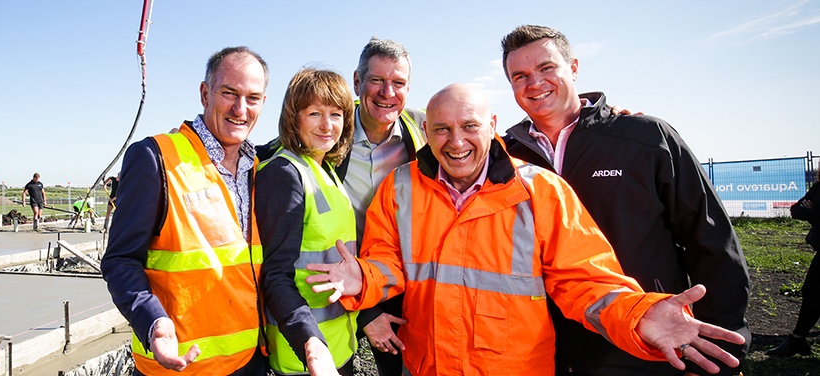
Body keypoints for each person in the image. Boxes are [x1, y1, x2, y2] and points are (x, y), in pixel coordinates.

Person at [305, 84, 746, 375]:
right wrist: (365, 278)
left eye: (469, 126)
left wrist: (638, 314)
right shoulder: (400, 187)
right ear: (425, 131)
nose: (456, 141)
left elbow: (586, 281)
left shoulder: (541, 190)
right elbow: (390, 263)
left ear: (493, 127)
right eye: (441, 129)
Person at [499, 24, 751, 376]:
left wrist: (717, 345)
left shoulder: (645, 137)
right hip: (547, 351)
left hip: (646, 342)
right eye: (519, 76)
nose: (534, 83)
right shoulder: (504, 158)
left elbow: (711, 241)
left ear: (573, 67)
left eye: (546, 68)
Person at [257, 38, 424, 375]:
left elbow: (473, 138)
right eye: (376, 80)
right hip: (320, 325)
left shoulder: (422, 131)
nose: (387, 92)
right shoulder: (306, 158)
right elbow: (277, 272)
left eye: (398, 83)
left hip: (386, 291)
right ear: (358, 83)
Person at [101, 46, 269, 375]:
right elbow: (120, 260)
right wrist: (153, 323)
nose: (240, 108)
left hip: (249, 363)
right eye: (229, 93)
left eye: (253, 98)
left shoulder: (261, 169)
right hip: (180, 365)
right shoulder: (156, 158)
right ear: (205, 93)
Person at [255, 68, 359, 376]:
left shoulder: (326, 171)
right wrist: (310, 344)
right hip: (304, 358)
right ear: (294, 118)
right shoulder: (285, 174)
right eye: (315, 113)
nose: (328, 125)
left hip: (340, 347)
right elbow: (275, 276)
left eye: (336, 114)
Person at [769, 179, 820, 357]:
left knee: (813, 291)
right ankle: (797, 340)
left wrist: (812, 210)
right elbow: (796, 211)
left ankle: (797, 340)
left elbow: (810, 211)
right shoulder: (818, 187)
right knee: (812, 291)